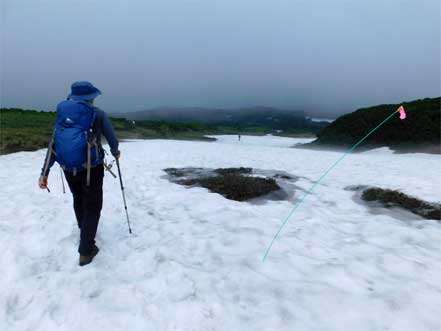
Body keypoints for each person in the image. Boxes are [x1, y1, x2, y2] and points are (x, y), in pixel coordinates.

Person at [38, 81, 120, 266]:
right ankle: (86, 250)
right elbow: (111, 137)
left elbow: (54, 144)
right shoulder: (97, 114)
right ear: (90, 97)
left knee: (78, 199)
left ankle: (85, 230)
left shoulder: (63, 115)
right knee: (93, 205)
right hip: (92, 168)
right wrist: (116, 152)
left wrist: (44, 173)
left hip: (68, 168)